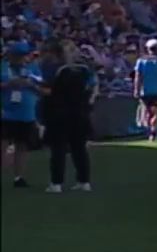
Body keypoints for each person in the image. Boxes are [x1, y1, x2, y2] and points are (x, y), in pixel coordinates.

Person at [42, 43, 96, 192]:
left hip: (59, 113)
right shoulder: (84, 69)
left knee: (58, 148)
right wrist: (88, 101)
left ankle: (56, 183)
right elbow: (92, 86)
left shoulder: (57, 69)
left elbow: (49, 90)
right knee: (79, 148)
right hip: (80, 112)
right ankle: (84, 181)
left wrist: (35, 88)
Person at [2, 41, 43, 188]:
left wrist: (30, 85)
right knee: (3, 144)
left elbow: (42, 88)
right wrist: (8, 84)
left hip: (26, 114)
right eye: (19, 56)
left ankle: (18, 177)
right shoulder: (3, 67)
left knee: (22, 146)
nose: (23, 59)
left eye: (25, 55)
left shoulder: (33, 68)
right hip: (6, 113)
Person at [132, 38, 157, 140]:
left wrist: (136, 90)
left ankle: (150, 130)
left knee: (148, 112)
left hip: (146, 92)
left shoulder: (141, 62)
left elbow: (138, 77)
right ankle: (153, 131)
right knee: (156, 113)